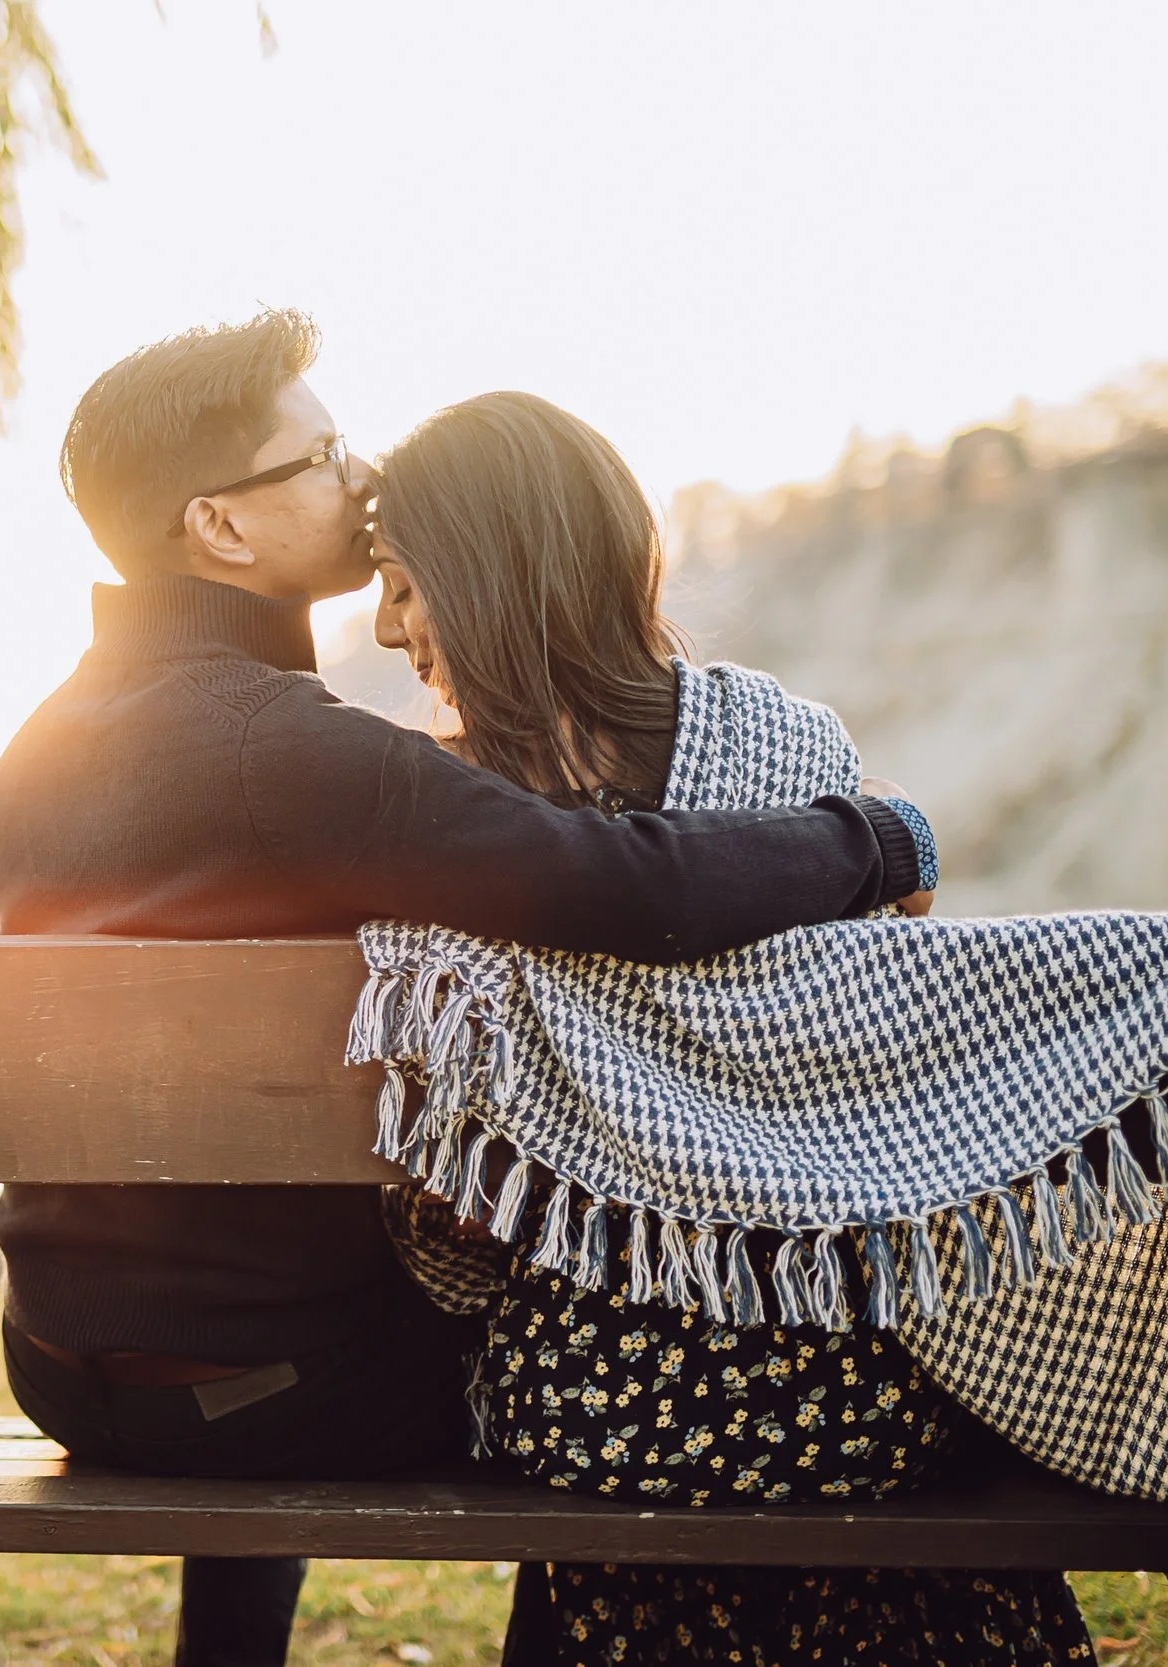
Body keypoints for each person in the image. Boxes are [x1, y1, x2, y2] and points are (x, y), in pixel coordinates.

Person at [0, 311, 938, 1667]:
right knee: (580, 1340)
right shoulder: (295, 754)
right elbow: (620, 881)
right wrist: (876, 837)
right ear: (224, 533)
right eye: (320, 455)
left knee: (278, 1262)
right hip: (276, 1387)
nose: (360, 482)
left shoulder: (37, 750)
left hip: (60, 1356)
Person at [365, 389, 1093, 1665]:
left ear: (481, 575)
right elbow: (884, 1085)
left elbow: (455, 1239)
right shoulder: (788, 743)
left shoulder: (450, 811)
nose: (384, 627)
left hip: (590, 1411)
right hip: (853, 1399)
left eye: (401, 581)